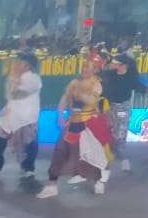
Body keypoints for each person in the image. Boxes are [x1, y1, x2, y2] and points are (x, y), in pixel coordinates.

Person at [43, 67, 113, 199]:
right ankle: (51, 185)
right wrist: (60, 115)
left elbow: (91, 101)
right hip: (73, 122)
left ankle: (98, 181)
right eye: (84, 67)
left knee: (93, 154)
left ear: (93, 70)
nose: (85, 70)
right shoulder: (73, 83)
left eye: (89, 68)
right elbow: (64, 98)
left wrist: (79, 93)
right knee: (60, 150)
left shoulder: (96, 84)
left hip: (91, 124)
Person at [0, 49, 42, 194]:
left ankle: (28, 169)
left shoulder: (33, 79)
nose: (16, 64)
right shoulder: (14, 76)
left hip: (26, 117)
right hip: (10, 115)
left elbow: (16, 94)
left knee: (28, 143)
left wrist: (13, 80)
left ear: (27, 66)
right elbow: (10, 96)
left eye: (19, 62)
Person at [100, 52, 148, 172]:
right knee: (110, 131)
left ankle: (123, 158)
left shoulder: (131, 78)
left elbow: (140, 87)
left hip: (123, 108)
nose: (113, 64)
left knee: (121, 133)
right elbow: (99, 77)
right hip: (110, 107)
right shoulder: (110, 75)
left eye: (116, 63)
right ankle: (110, 157)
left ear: (124, 66)